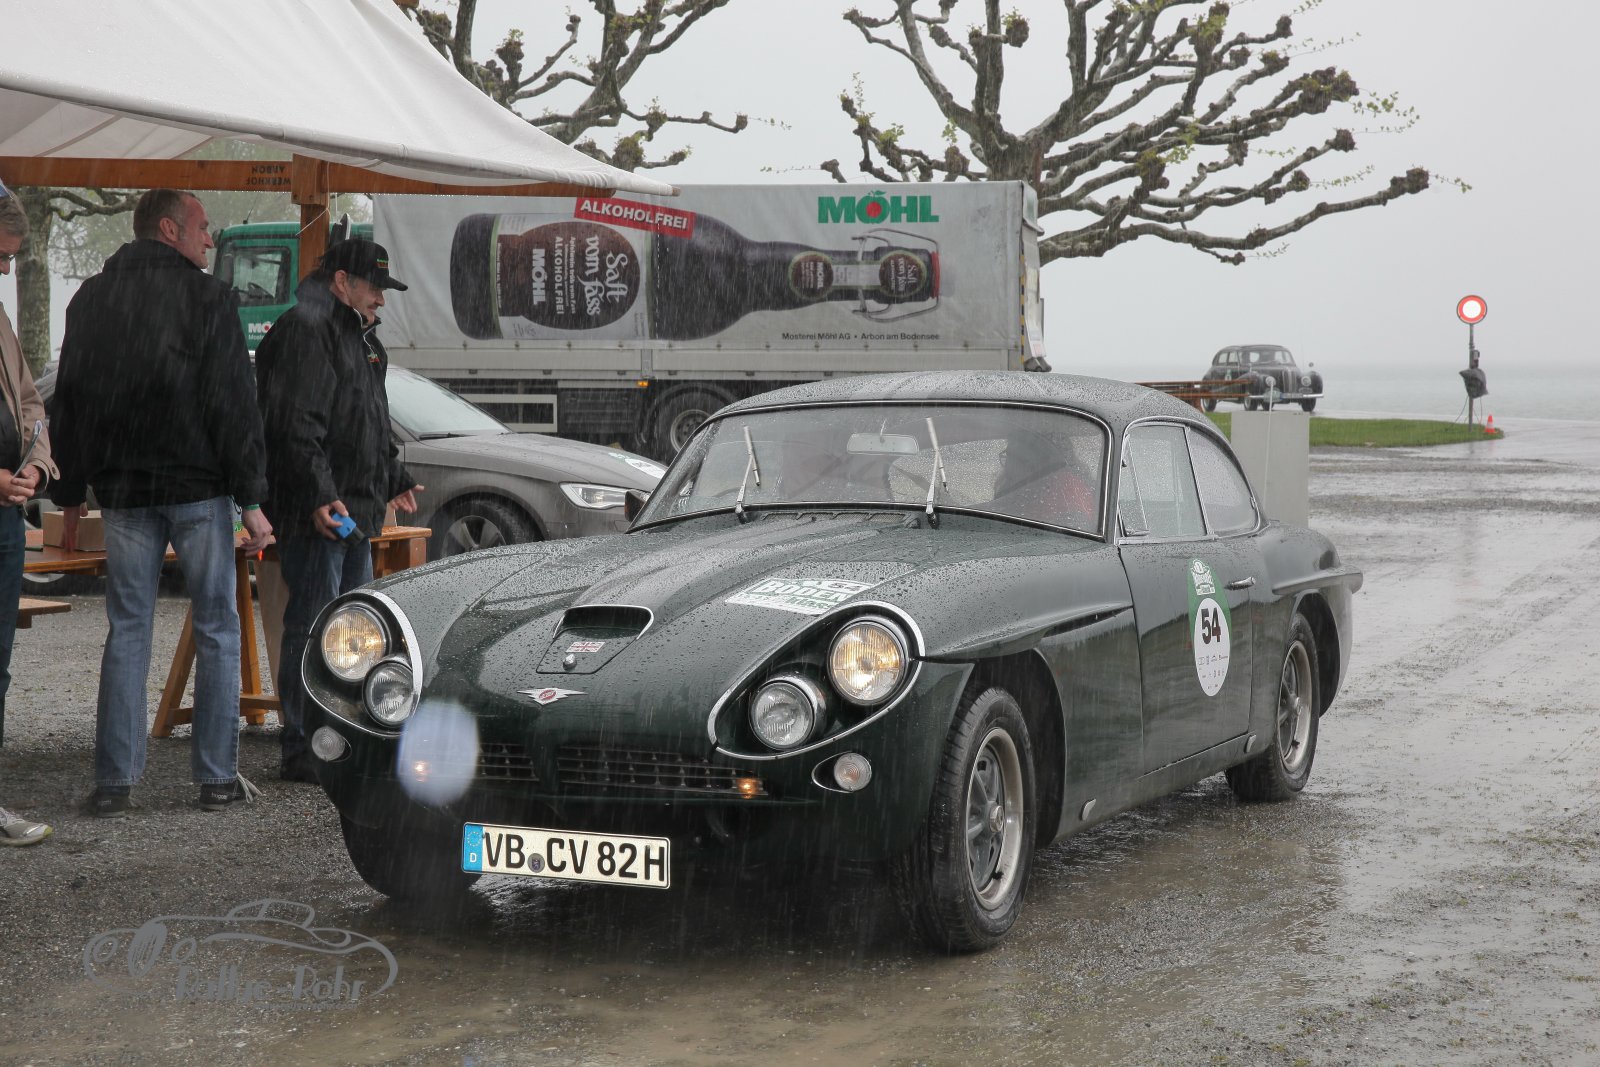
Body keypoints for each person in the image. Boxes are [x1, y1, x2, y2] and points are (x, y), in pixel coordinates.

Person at [50, 188, 273, 817]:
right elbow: (234, 404)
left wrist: (70, 494)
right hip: (198, 488)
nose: (210, 238)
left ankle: (113, 784)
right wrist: (252, 498)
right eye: (203, 227)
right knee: (218, 628)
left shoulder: (92, 299)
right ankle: (217, 779)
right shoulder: (209, 299)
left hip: (123, 492)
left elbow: (72, 398)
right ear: (170, 229)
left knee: (128, 629)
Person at [255, 238, 420, 784]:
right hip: (320, 512)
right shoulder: (307, 330)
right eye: (374, 287)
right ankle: (303, 745)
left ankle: (343, 738)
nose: (381, 298)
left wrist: (393, 476)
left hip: (351, 509)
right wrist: (319, 497)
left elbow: (369, 418)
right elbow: (295, 425)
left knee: (355, 631)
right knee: (313, 627)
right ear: (342, 281)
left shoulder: (358, 336)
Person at [0, 179, 59, 845]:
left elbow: (31, 402)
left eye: (12, 258)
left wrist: (37, 464)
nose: (5, 270)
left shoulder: (0, 318)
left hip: (7, 519)